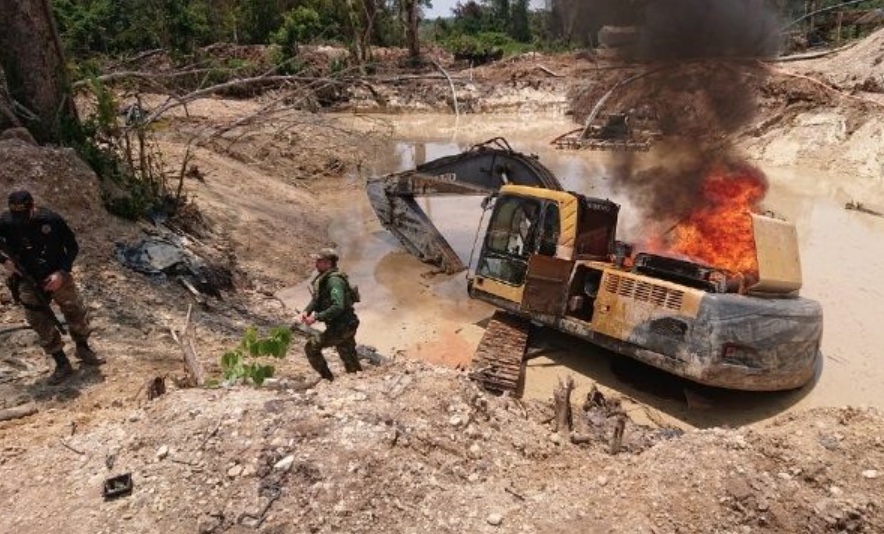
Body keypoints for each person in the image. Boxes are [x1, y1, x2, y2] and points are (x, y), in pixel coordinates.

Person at [0, 190, 104, 385]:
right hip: (27, 278)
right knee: (38, 321)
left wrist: (61, 273)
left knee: (75, 311)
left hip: (56, 274)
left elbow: (72, 247)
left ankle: (83, 347)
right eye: (17, 216)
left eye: (24, 215)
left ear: (33, 206)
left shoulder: (51, 220)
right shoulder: (6, 222)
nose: (21, 220)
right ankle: (61, 362)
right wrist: (5, 261)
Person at [298, 248, 360, 381]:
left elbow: (338, 306)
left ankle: (328, 379)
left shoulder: (334, 281)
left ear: (328, 263)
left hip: (343, 325)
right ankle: (357, 377)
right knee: (347, 354)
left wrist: (316, 317)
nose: (316, 264)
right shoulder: (325, 279)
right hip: (344, 324)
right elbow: (317, 300)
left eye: (319, 261)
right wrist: (306, 311)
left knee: (311, 347)